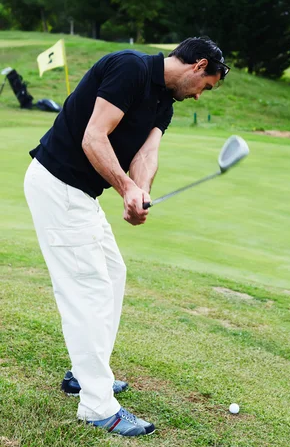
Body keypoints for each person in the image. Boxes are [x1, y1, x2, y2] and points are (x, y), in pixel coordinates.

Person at [24, 37, 229, 438]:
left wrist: (141, 189)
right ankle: (98, 405)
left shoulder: (165, 101)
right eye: (206, 86)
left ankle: (83, 374)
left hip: (81, 195)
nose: (201, 96)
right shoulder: (130, 67)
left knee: (113, 275)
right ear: (197, 65)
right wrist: (124, 188)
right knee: (89, 290)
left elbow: (146, 154)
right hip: (58, 184)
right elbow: (93, 137)